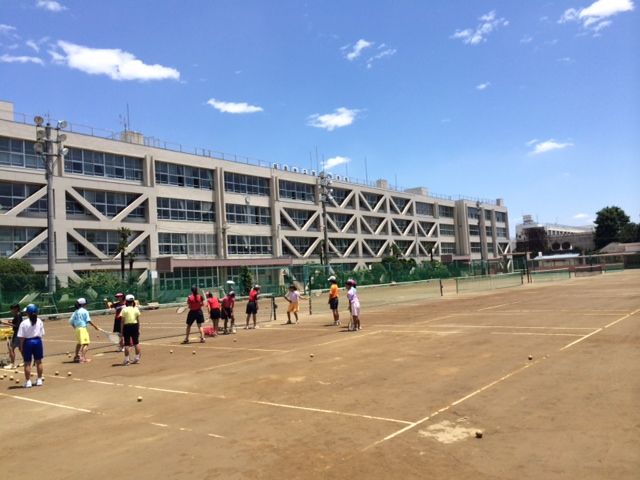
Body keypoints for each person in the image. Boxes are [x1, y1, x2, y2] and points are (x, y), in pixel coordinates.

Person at [17, 304, 45, 388]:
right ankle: (39, 379)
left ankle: (28, 381)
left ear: (27, 313)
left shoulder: (24, 323)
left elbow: (21, 337)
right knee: (38, 361)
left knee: (27, 363)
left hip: (28, 342)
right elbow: (42, 333)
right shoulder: (39, 321)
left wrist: (21, 347)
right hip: (37, 341)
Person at [69, 298, 100, 363]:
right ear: (83, 304)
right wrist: (95, 326)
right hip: (83, 329)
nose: (87, 305)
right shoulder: (85, 311)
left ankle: (76, 357)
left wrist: (76, 328)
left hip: (77, 329)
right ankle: (82, 358)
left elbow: (71, 321)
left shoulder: (75, 311)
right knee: (86, 344)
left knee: (79, 343)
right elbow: (88, 320)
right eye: (86, 303)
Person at [120, 294, 141, 365]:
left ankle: (127, 360)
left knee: (127, 344)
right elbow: (138, 320)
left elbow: (122, 321)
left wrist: (121, 331)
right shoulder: (136, 309)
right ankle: (137, 358)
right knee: (136, 343)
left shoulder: (124, 309)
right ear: (133, 301)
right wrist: (138, 329)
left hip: (127, 326)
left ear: (126, 301)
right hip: (135, 326)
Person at [1, 303, 22, 369]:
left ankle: (12, 364)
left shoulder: (18, 315)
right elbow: (14, 323)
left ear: (16, 309)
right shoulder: (17, 315)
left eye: (12, 309)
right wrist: (8, 322)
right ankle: (26, 361)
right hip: (19, 334)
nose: (11, 310)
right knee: (20, 348)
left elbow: (16, 325)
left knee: (11, 348)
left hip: (17, 334)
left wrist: (4, 323)